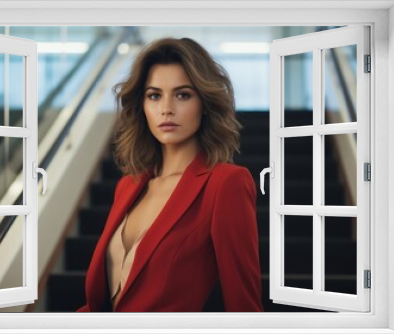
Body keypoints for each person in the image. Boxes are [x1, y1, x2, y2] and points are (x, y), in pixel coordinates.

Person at [77, 37, 263, 312]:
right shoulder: (128, 186)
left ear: (204, 102)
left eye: (183, 94)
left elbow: (243, 306)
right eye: (154, 95)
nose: (166, 108)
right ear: (142, 105)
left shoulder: (225, 184)